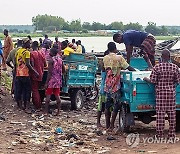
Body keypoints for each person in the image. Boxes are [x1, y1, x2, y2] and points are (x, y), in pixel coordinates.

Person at [144, 49, 180, 139]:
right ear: (169, 57)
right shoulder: (175, 67)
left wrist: (145, 79)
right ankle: (171, 134)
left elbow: (152, 81)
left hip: (160, 94)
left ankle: (159, 135)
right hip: (171, 94)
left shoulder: (157, 67)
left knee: (160, 114)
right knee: (172, 114)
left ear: (161, 57)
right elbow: (178, 81)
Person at [103, 42, 136, 131]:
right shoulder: (119, 58)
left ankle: (107, 125)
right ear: (115, 48)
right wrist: (136, 72)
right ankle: (112, 125)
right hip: (115, 85)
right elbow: (128, 67)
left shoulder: (105, 58)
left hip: (107, 85)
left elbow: (104, 69)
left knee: (107, 105)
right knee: (116, 105)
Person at [15, 38, 39, 111]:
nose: (30, 44)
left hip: (18, 73)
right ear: (26, 43)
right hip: (25, 74)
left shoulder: (18, 51)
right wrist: (35, 72)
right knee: (27, 90)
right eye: (29, 43)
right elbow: (28, 64)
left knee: (19, 90)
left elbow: (16, 63)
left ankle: (19, 105)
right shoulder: (27, 52)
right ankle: (27, 106)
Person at [44, 47, 65, 115]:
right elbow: (64, 69)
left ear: (52, 53)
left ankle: (46, 111)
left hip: (52, 80)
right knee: (57, 95)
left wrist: (46, 82)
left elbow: (49, 73)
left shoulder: (51, 60)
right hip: (58, 80)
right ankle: (58, 111)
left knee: (48, 96)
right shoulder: (60, 60)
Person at [30, 41, 46, 109]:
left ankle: (37, 105)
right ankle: (39, 103)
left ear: (33, 46)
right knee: (39, 89)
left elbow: (32, 65)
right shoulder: (41, 53)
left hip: (35, 74)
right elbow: (45, 64)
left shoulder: (32, 54)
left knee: (35, 89)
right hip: (41, 73)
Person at [97, 49, 109, 128]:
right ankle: (98, 122)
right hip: (104, 89)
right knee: (101, 107)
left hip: (106, 88)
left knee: (106, 107)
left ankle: (107, 124)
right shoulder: (104, 66)